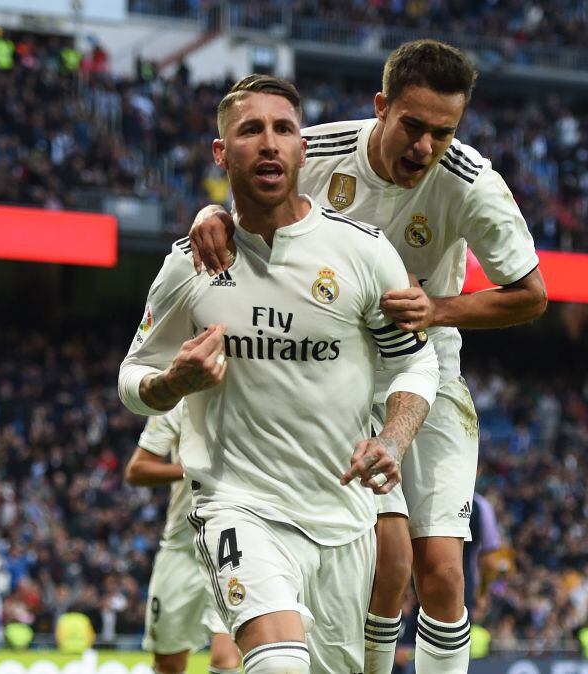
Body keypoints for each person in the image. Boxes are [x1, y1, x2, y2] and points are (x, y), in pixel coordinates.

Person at [189, 39, 546, 674]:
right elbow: (253, 193)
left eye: (443, 132)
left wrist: (439, 309)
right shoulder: (318, 152)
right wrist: (211, 212)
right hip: (339, 372)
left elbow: (531, 296)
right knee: (389, 559)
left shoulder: (471, 183)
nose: (425, 148)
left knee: (440, 571)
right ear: (380, 107)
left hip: (428, 368)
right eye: (413, 126)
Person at [119, 74, 439, 674]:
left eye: (283, 129)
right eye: (251, 130)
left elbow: (415, 361)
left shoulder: (363, 253)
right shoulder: (190, 264)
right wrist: (170, 385)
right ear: (223, 153)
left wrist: (394, 439)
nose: (269, 143)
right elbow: (133, 374)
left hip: (342, 519)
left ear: (302, 149)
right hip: (238, 507)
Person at [124, 401, 241, 674]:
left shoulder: (249, 398)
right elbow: (136, 470)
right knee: (168, 663)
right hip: (181, 548)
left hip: (230, 543)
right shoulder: (178, 403)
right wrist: (192, 469)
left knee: (226, 659)